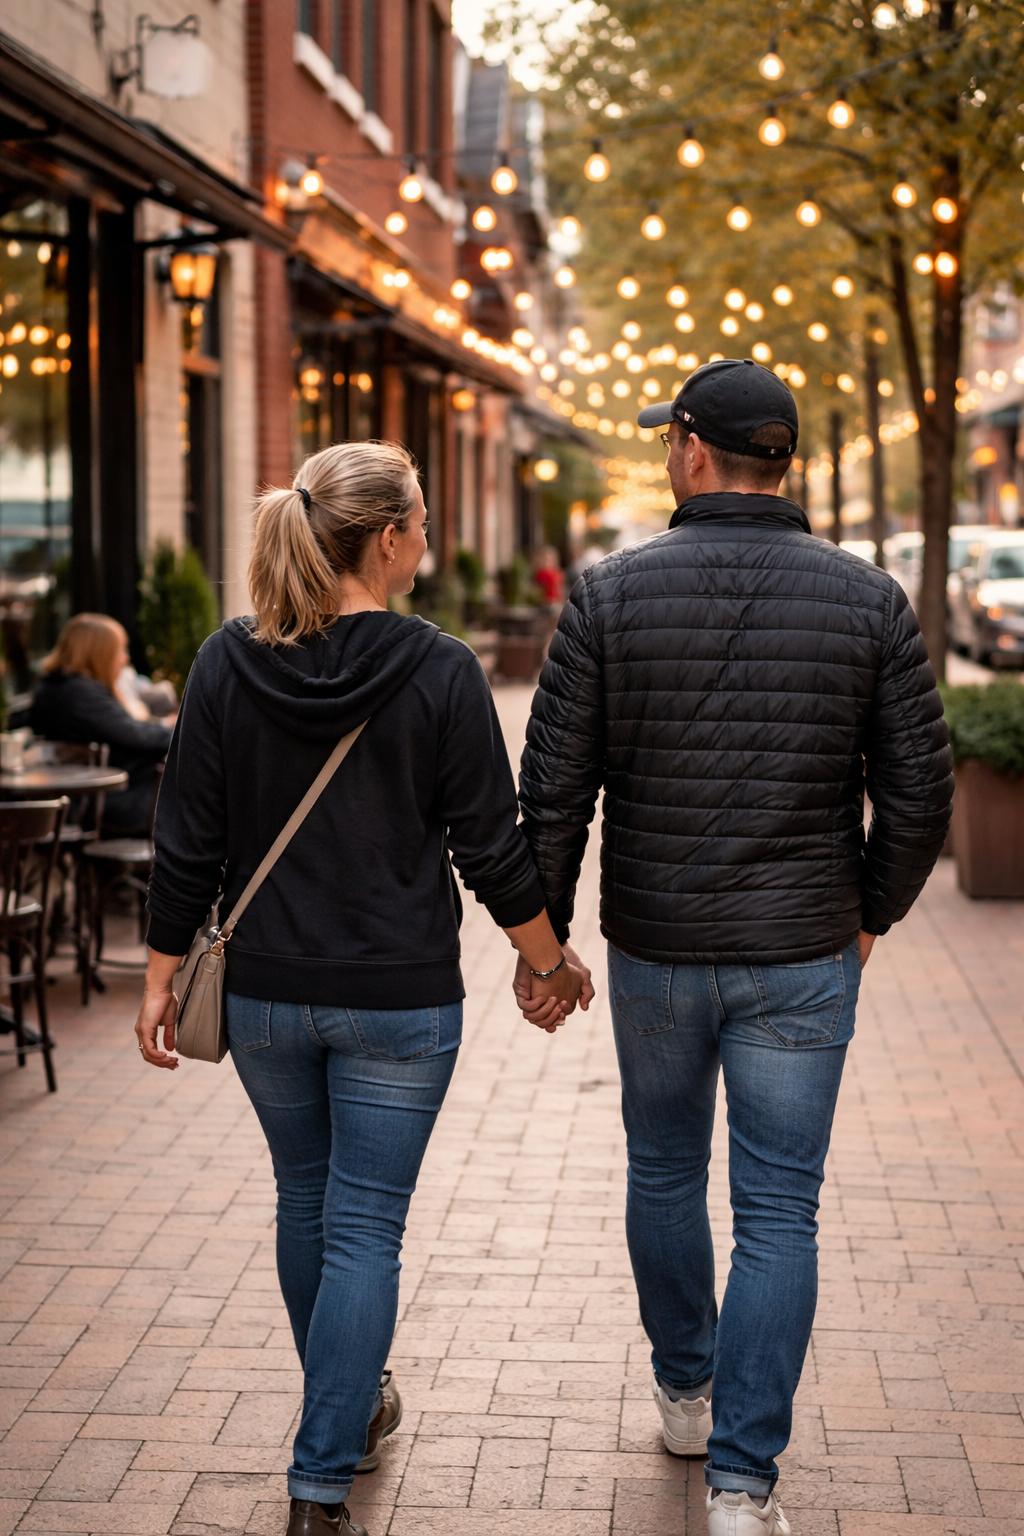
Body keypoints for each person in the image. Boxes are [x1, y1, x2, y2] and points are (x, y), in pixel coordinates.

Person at [515, 360, 953, 1536]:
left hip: (657, 949)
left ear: (696, 452)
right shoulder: (870, 602)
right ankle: (744, 1487)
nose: (667, 454)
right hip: (803, 949)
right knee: (780, 1214)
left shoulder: (608, 596)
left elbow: (553, 793)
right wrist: (868, 914)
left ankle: (685, 1390)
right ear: (788, 464)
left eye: (671, 441)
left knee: (663, 1171)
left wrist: (543, 947)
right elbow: (920, 798)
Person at [134, 440, 592, 1536]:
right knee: (364, 1230)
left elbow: (186, 839)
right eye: (422, 523)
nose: (427, 542)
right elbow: (490, 843)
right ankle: (320, 1479)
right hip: (397, 998)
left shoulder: (223, 664)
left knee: (309, 1204)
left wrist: (157, 980)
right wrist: (546, 959)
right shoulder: (437, 668)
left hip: (266, 998)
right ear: (386, 541)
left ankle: (348, 1412)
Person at [31, 613, 174, 832]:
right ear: (98, 653)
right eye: (120, 650)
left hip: (92, 795)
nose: (125, 659)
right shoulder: (78, 693)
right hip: (103, 801)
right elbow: (133, 734)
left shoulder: (58, 687)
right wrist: (188, 732)